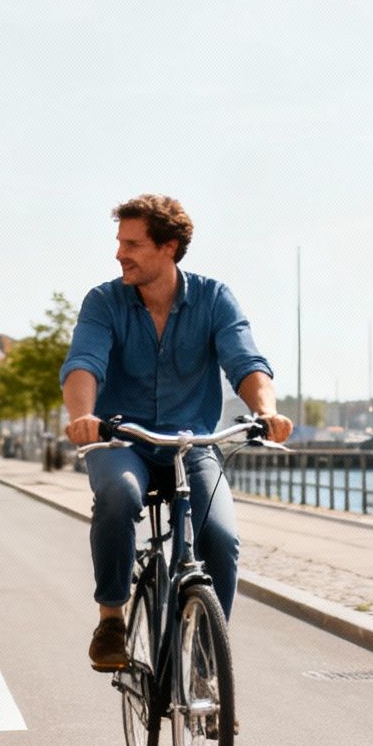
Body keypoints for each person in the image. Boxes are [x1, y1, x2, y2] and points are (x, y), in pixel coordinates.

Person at [59, 195, 293, 673]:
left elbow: (245, 361)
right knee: (120, 497)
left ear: (169, 247)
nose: (120, 253)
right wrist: (83, 416)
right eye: (120, 242)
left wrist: (266, 410)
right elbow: (84, 362)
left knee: (221, 539)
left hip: (191, 443)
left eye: (133, 244)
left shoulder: (213, 298)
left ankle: (207, 664)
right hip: (120, 438)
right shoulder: (104, 301)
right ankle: (111, 619)